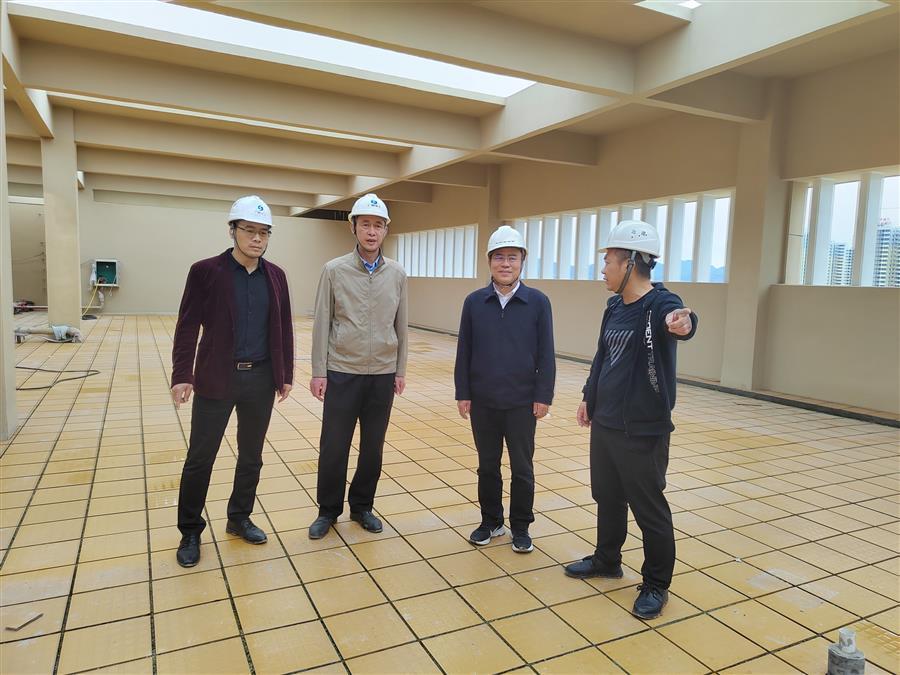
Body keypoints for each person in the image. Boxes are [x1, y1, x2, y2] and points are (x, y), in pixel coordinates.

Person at [564, 219, 697, 620]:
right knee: (607, 496)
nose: (603, 268)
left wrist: (685, 323)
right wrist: (589, 396)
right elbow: (602, 356)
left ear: (631, 262)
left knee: (648, 507)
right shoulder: (614, 307)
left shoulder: (661, 304)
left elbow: (683, 320)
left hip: (643, 428)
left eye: (608, 260)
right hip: (606, 423)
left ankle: (656, 584)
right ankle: (607, 560)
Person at [171, 195, 294, 568]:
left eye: (264, 232)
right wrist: (182, 374)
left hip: (260, 379)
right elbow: (187, 326)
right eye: (249, 230)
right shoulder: (206, 271)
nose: (257, 239)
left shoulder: (276, 276)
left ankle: (239, 517)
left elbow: (283, 328)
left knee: (252, 456)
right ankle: (190, 530)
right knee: (200, 458)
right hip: (216, 377)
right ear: (233, 230)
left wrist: (285, 375)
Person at [307, 193, 408, 539]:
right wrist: (319, 371)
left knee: (373, 447)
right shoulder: (334, 270)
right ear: (353, 227)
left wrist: (400, 369)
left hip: (382, 374)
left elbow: (401, 324)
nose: (372, 231)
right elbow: (322, 321)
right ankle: (328, 510)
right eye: (365, 224)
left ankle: (362, 506)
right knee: (334, 445)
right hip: (342, 371)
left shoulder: (397, 273)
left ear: (385, 230)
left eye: (378, 225)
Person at [454, 225, 555, 554]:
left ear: (522, 261)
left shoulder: (537, 302)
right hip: (483, 401)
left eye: (512, 257)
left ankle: (521, 526)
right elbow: (464, 350)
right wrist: (463, 392)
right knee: (487, 465)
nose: (506, 264)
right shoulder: (474, 302)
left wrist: (543, 395)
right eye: (499, 257)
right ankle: (491, 521)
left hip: (522, 402)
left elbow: (546, 353)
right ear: (489, 262)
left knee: (522, 468)